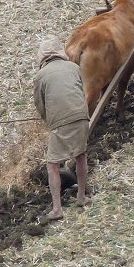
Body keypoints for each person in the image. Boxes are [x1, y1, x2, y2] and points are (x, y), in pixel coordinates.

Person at [33, 36, 91, 220]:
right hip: (81, 116)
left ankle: (57, 208)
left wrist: (50, 122)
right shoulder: (74, 67)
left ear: (42, 56)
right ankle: (81, 197)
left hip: (60, 121)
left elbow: (40, 105)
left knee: (52, 165)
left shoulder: (40, 76)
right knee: (80, 155)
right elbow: (81, 91)